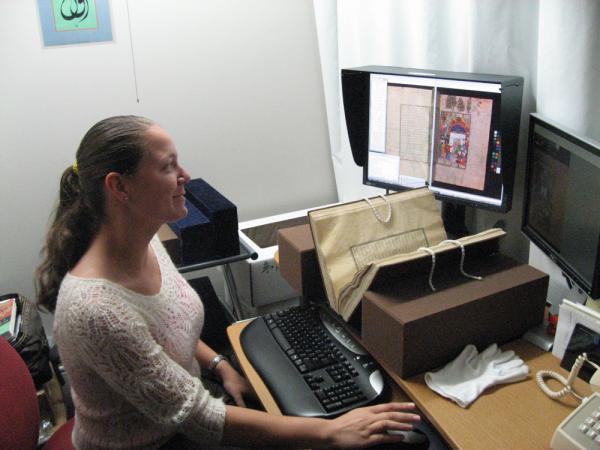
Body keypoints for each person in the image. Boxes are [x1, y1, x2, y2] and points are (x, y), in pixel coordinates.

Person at [36, 115, 421, 449]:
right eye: (168, 166)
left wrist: (221, 364)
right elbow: (199, 419)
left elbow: (166, 327)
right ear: (119, 187)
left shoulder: (145, 239)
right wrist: (331, 432)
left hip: (185, 411)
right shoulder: (96, 311)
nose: (185, 176)